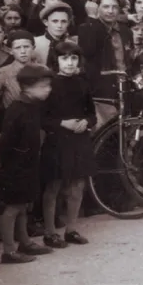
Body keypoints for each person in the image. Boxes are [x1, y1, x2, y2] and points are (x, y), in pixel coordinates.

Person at [0, 63, 56, 265]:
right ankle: (8, 251)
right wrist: (10, 165)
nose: (48, 90)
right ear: (27, 87)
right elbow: (5, 143)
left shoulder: (33, 107)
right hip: (16, 166)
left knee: (23, 206)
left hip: (29, 163)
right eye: (43, 86)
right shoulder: (17, 109)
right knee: (13, 208)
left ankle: (25, 242)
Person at [40, 41, 96, 249]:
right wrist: (62, 123)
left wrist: (87, 122)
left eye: (74, 58)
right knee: (54, 185)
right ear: (56, 61)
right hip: (57, 140)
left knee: (77, 185)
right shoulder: (49, 83)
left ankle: (71, 229)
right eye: (65, 58)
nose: (70, 63)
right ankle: (49, 232)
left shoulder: (82, 82)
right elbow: (42, 117)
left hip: (79, 140)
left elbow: (91, 112)